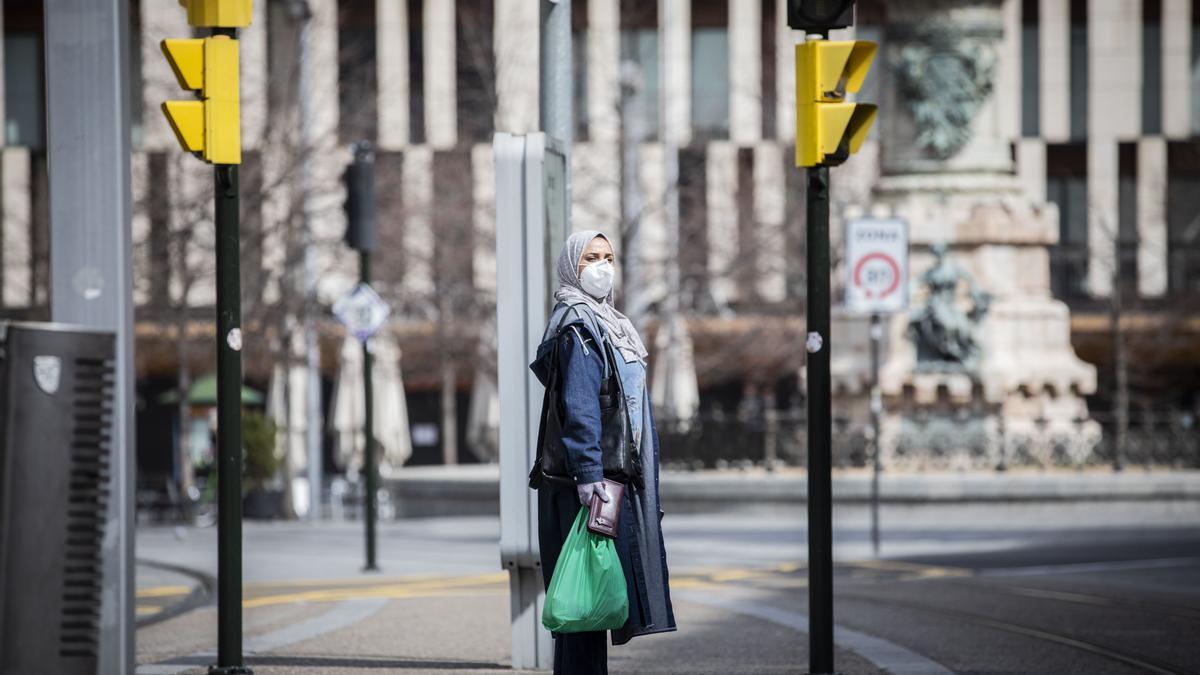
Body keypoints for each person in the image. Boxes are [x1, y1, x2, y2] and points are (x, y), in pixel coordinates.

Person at [530, 230, 677, 674]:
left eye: (608, 257)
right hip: (590, 486)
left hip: (602, 480)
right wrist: (589, 477)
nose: (602, 266)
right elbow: (581, 409)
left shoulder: (607, 322)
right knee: (584, 605)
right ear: (571, 266)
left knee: (589, 606)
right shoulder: (579, 326)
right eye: (591, 258)